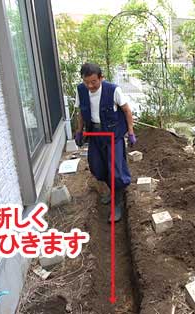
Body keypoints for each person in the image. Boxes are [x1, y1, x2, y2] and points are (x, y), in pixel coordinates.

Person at [74, 63, 136, 223]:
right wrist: (79, 131)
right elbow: (81, 112)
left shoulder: (113, 90)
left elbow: (127, 111)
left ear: (101, 78)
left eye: (94, 81)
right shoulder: (81, 91)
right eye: (86, 82)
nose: (90, 85)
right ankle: (111, 190)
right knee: (97, 167)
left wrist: (131, 132)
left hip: (113, 135)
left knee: (116, 170)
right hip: (95, 134)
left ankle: (118, 203)